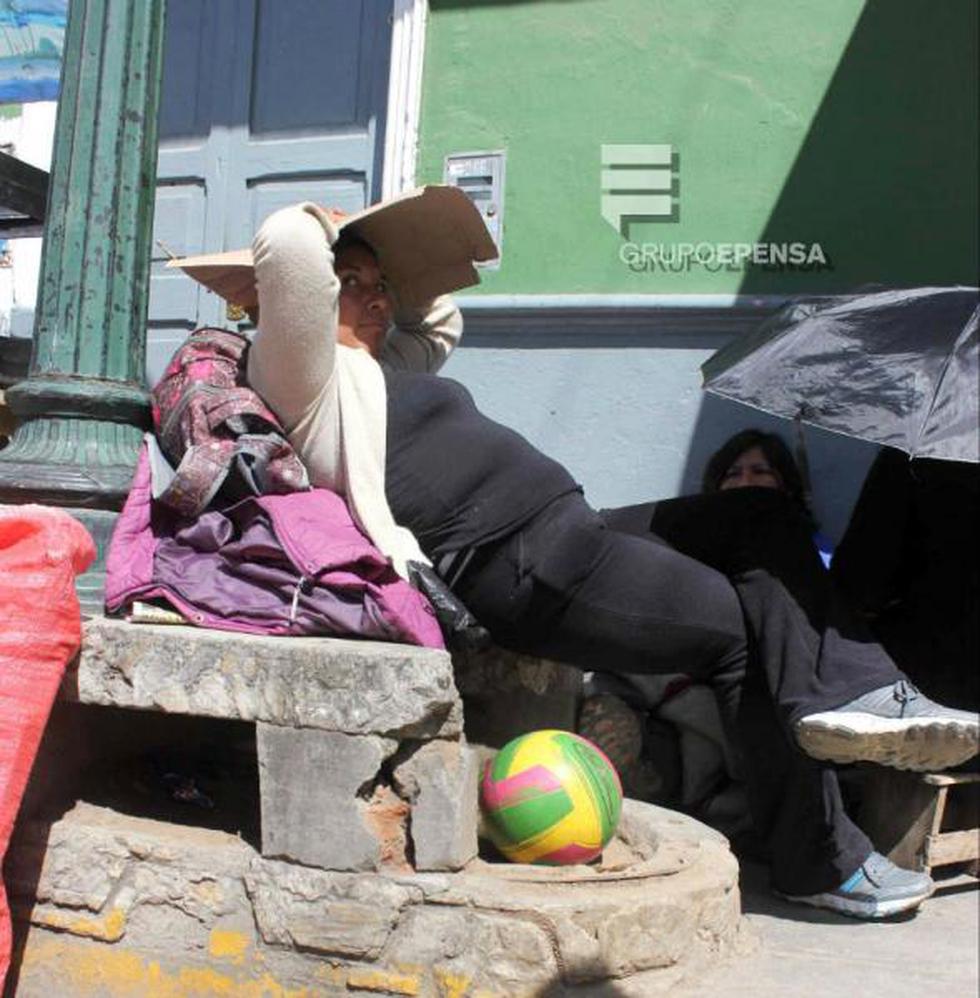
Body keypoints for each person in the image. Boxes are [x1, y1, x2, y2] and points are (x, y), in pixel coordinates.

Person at [245, 200, 978, 920]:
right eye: (353, 282)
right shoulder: (306, 382)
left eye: (381, 281)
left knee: (762, 512)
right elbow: (286, 244)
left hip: (572, 527)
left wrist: (385, 251)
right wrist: (324, 221)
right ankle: (821, 856)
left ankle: (854, 694)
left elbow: (437, 316)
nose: (377, 297)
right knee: (742, 631)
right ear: (301, 305)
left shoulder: (382, 360)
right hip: (516, 564)